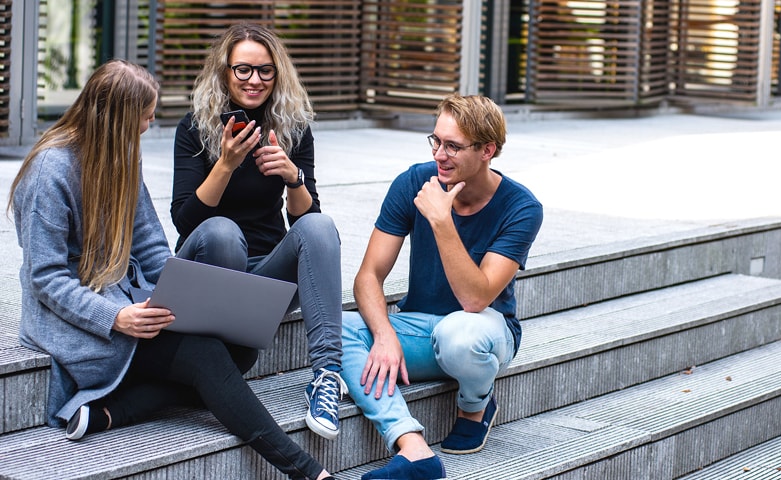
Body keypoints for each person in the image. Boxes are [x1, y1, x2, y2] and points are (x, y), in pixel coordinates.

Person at [8, 59, 335, 480]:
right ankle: (306, 470)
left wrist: (180, 296)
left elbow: (150, 247)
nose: (147, 127)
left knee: (241, 350)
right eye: (144, 118)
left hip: (131, 304)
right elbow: (46, 277)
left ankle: (114, 411)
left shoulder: (121, 156)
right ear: (117, 117)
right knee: (207, 357)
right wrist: (116, 317)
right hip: (80, 321)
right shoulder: (49, 171)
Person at [340, 94, 544, 480]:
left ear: (487, 150)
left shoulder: (522, 207)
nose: (440, 154)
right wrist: (384, 335)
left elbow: (476, 298)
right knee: (336, 327)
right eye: (435, 141)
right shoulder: (414, 181)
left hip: (483, 330)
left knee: (459, 333)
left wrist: (442, 221)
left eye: (453, 146)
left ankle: (475, 404)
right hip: (418, 327)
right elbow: (368, 276)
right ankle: (412, 447)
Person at [171, 23, 345, 441]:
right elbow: (185, 221)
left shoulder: (292, 128)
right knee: (222, 232)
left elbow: (307, 223)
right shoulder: (195, 128)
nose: (254, 80)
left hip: (265, 279)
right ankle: (218, 360)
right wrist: (226, 164)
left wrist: (293, 177)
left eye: (265, 71)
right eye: (243, 70)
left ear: (278, 74)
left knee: (320, 226)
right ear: (225, 72)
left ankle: (326, 377)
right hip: (209, 269)